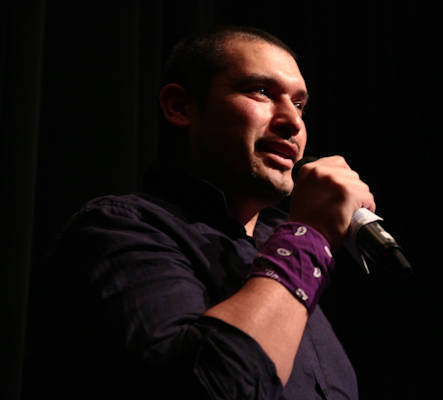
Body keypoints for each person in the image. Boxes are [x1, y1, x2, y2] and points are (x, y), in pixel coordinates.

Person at [25, 25, 376, 399]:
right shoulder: (119, 228)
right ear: (180, 106)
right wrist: (310, 236)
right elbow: (215, 386)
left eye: (300, 104)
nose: (293, 122)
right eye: (261, 91)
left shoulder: (279, 242)